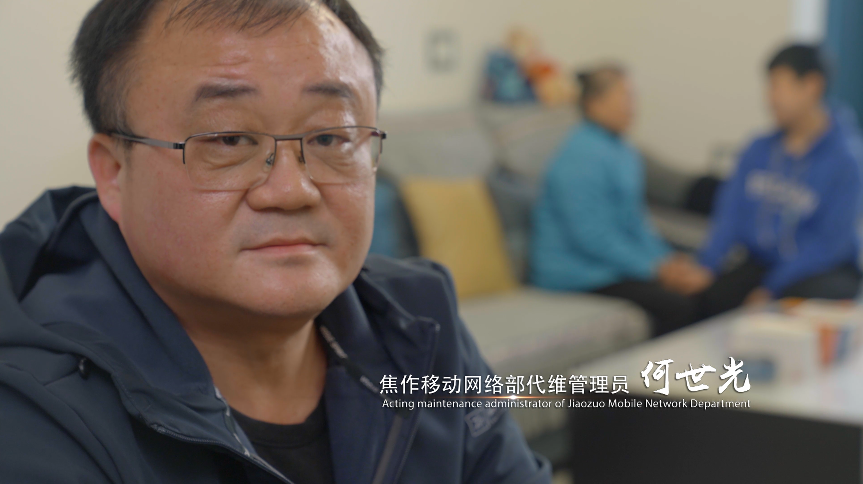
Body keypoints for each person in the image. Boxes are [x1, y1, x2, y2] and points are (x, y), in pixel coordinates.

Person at [0, 1, 551, 483]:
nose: (291, 190)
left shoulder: (417, 324)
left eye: (331, 136)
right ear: (115, 172)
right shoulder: (34, 414)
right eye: (228, 138)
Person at [683, 44, 863, 318]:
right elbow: (730, 214)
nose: (770, 98)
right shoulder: (759, 149)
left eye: (778, 86)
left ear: (812, 86)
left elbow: (830, 244)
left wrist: (772, 288)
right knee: (707, 300)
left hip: (822, 270)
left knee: (787, 309)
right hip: (764, 263)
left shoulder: (846, 160)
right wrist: (707, 265)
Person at [530, 64, 702, 336]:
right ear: (594, 104)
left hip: (609, 268)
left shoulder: (622, 150)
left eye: (632, 96)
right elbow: (591, 237)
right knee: (676, 306)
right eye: (623, 96)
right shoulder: (579, 156)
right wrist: (653, 270)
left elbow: (635, 223)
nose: (632, 106)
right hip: (576, 275)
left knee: (701, 290)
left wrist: (667, 261)